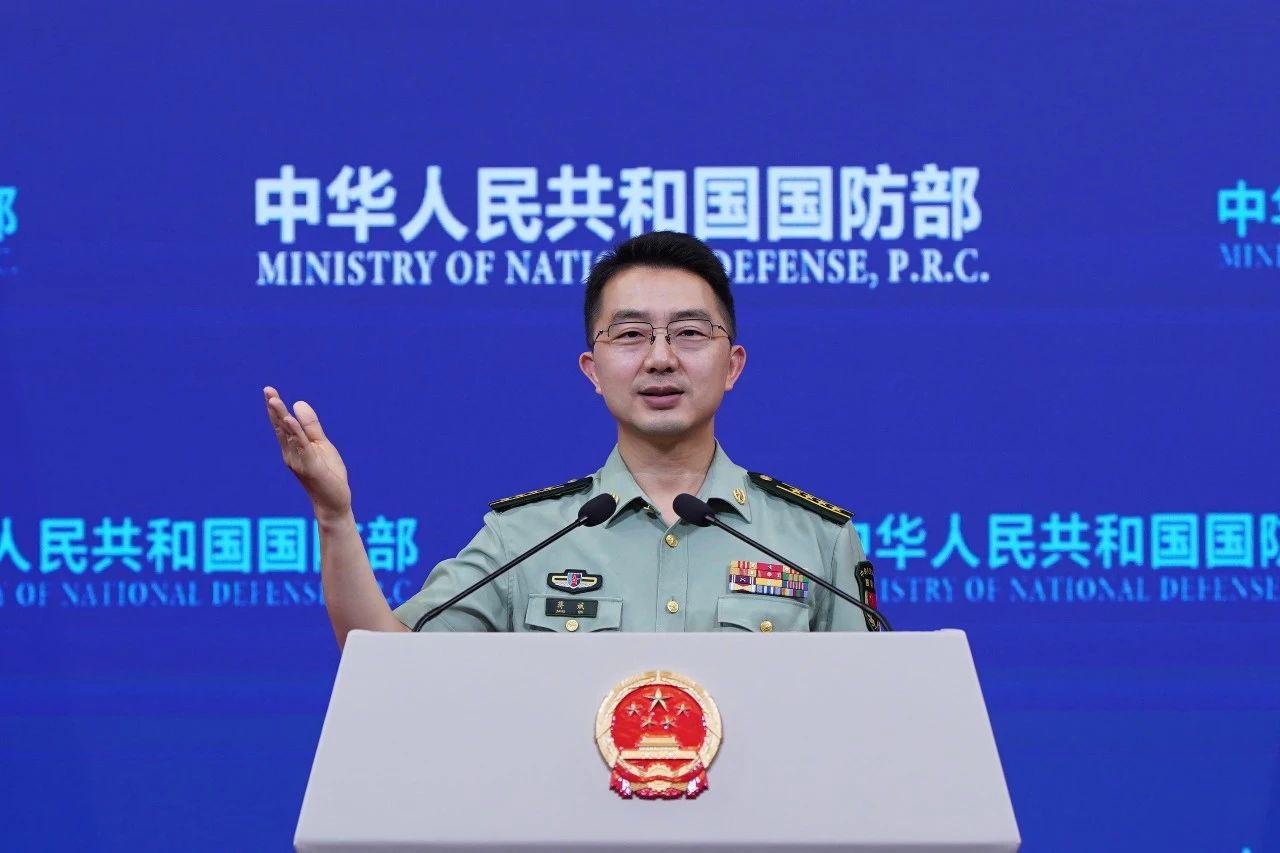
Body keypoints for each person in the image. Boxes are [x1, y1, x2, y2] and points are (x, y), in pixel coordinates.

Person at [263, 231, 875, 648]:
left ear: (733, 364)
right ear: (593, 369)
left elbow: (870, 716)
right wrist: (334, 517)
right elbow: (384, 661)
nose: (661, 358)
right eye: (630, 335)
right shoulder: (524, 538)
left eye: (689, 333)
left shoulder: (817, 542)